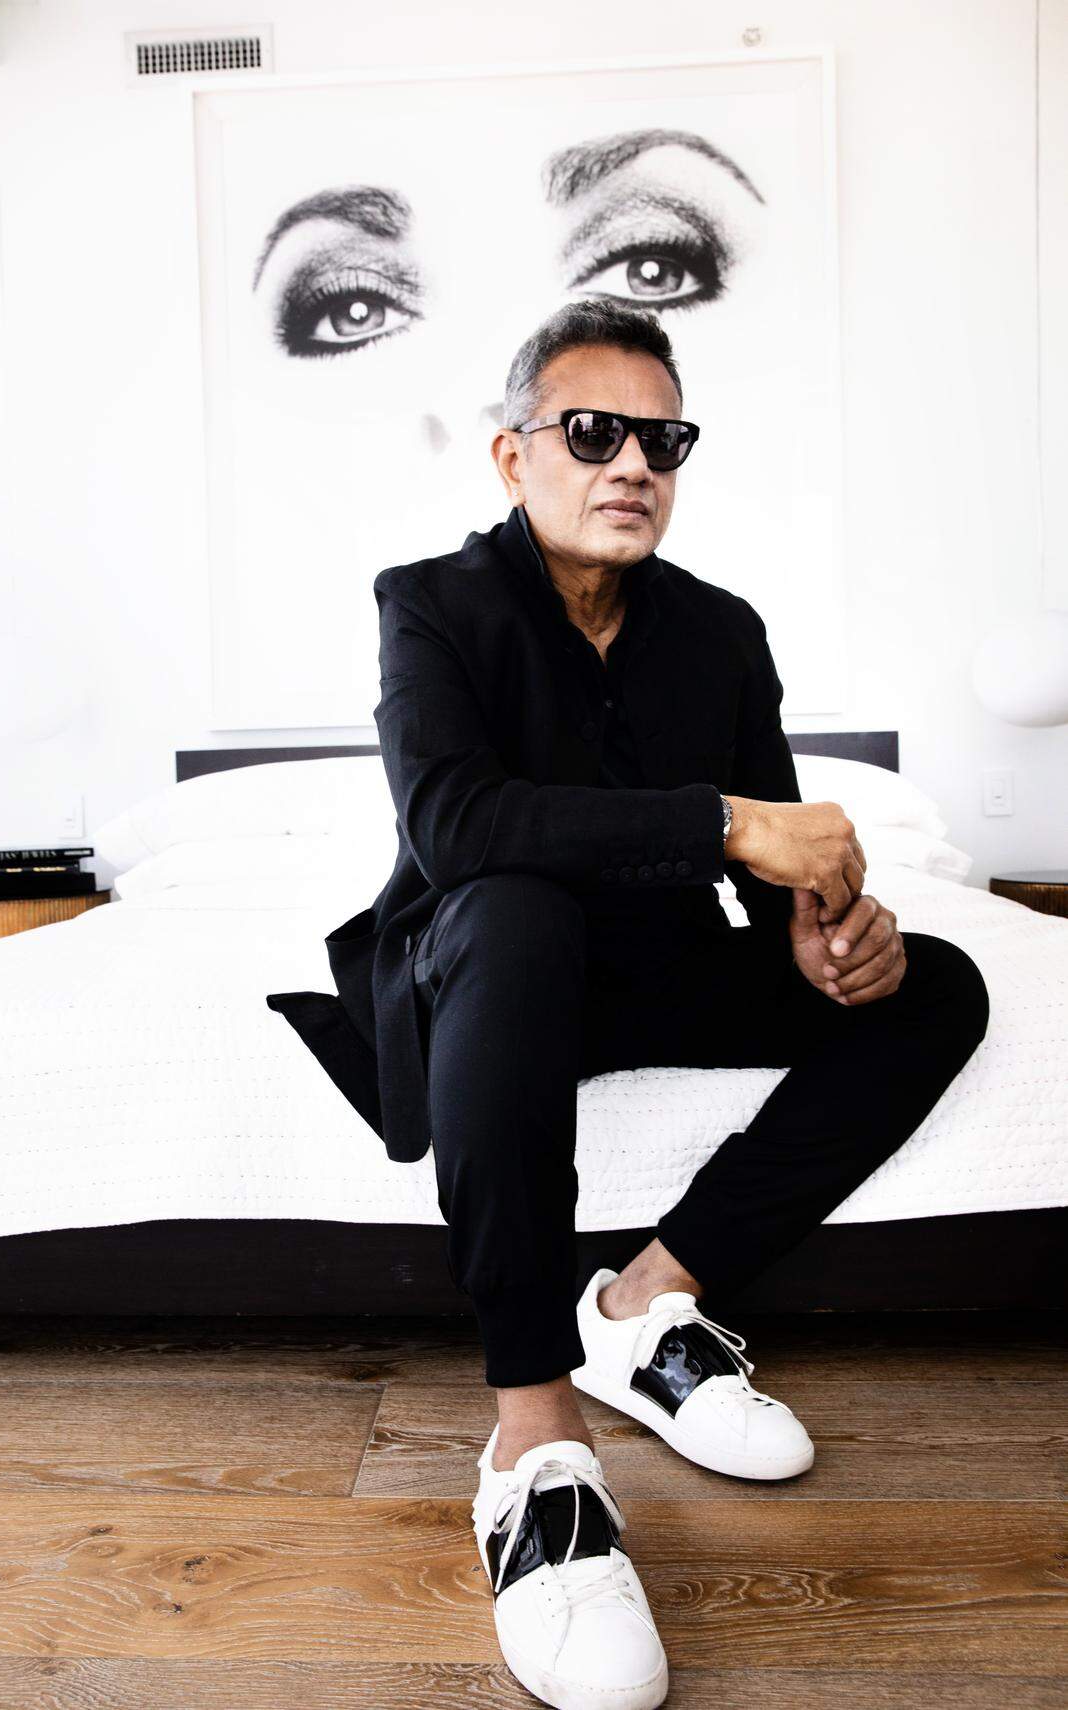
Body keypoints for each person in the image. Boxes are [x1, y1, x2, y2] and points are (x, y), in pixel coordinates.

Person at [268, 299, 991, 1710]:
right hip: (482, 975)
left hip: (648, 968)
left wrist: (825, 940)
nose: (632, 465)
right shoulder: (431, 604)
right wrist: (722, 820)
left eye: (663, 441)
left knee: (941, 984)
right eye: (593, 432)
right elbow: (458, 825)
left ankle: (649, 1298)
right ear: (512, 455)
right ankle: (534, 1441)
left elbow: (774, 867)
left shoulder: (720, 632)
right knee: (515, 907)